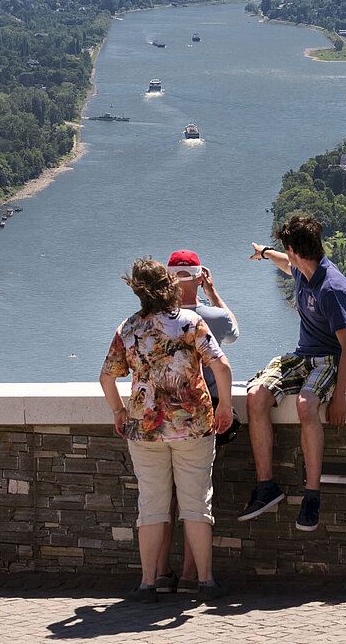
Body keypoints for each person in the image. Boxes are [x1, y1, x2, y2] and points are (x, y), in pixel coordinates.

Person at [100, 257, 233, 604]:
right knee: (196, 503)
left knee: (152, 506)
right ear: (169, 286)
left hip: (144, 429)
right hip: (193, 426)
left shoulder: (127, 329)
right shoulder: (190, 322)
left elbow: (106, 377)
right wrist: (225, 407)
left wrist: (118, 412)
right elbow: (221, 364)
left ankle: (148, 583)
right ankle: (204, 581)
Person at [240, 214, 346, 532]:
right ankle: (266, 487)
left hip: (332, 359)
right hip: (303, 356)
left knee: (306, 404)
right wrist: (266, 252)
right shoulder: (303, 269)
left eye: (287, 250)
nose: (288, 257)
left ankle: (312, 496)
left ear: (295, 249)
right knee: (255, 396)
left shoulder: (331, 288)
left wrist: (339, 398)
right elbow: (286, 264)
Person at [156, 249, 240, 592]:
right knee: (194, 496)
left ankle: (160, 574)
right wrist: (213, 292)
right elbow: (233, 331)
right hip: (200, 416)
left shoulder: (152, 319)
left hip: (159, 416)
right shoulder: (212, 318)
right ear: (198, 277)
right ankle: (191, 575)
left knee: (160, 499)